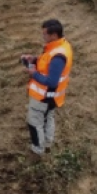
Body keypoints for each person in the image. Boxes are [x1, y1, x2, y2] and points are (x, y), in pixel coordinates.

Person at [19, 19, 74, 158]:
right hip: (52, 97)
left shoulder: (58, 56)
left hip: (43, 97)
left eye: (45, 34)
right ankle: (48, 143)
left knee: (34, 122)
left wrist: (34, 74)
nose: (43, 36)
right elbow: (48, 65)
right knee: (48, 118)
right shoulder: (61, 46)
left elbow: (52, 81)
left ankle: (38, 149)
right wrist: (35, 60)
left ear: (54, 35)